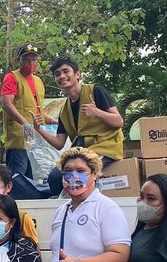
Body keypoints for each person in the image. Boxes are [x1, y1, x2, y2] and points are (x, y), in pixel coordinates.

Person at [33, 57, 125, 196]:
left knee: (79, 172)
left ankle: (88, 203)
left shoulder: (95, 91)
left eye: (65, 71)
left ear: (77, 74)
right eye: (57, 74)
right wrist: (39, 129)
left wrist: (97, 112)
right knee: (54, 178)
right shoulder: (64, 109)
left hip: (105, 147)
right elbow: (59, 143)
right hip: (82, 151)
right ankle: (68, 207)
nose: (62, 76)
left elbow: (119, 122)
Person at [0, 43, 46, 178]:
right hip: (19, 139)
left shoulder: (38, 81)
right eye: (26, 59)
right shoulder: (12, 77)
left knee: (34, 178)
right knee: (18, 177)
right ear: (18, 60)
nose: (30, 62)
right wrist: (25, 123)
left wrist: (51, 120)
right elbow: (7, 104)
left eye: (33, 59)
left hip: (36, 138)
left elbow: (38, 107)